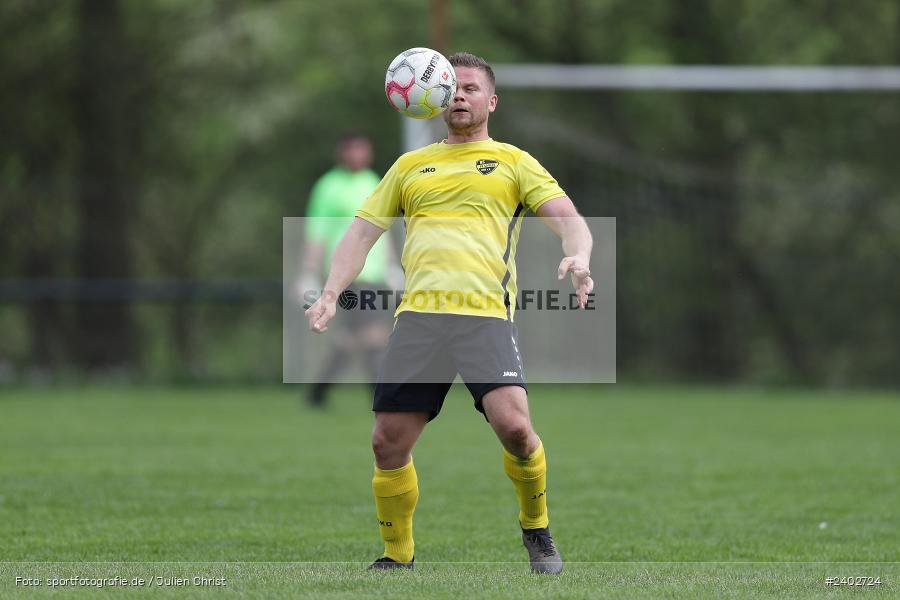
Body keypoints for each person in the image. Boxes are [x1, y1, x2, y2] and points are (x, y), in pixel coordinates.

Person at [304, 53, 593, 574]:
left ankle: (537, 529)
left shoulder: (513, 162)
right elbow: (361, 233)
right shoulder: (410, 167)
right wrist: (330, 292)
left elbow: (571, 221)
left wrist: (579, 255)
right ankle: (398, 554)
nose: (460, 95)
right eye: (452, 87)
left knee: (516, 430)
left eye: (471, 87)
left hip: (485, 317)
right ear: (433, 97)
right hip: (419, 319)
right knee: (386, 443)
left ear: (491, 100)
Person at [299, 132, 397, 407]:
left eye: (362, 149)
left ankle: (317, 393)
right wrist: (309, 270)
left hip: (375, 272)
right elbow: (316, 232)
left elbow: (382, 227)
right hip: (347, 274)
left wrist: (392, 265)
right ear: (342, 152)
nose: (357, 155)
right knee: (373, 333)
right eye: (352, 150)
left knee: (350, 338)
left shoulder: (373, 181)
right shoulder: (328, 186)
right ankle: (380, 397)